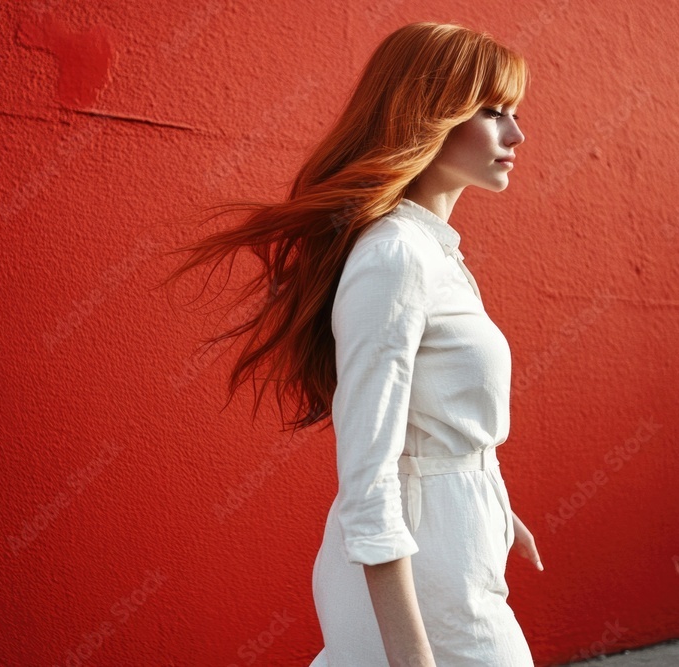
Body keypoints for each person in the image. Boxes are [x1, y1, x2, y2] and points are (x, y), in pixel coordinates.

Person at [158, 21, 543, 667]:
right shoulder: (396, 256)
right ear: (429, 114)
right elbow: (370, 475)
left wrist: (488, 501)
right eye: (491, 111)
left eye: (514, 112)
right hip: (421, 574)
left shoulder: (430, 250)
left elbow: (433, 425)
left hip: (455, 542)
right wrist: (411, 657)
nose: (515, 134)